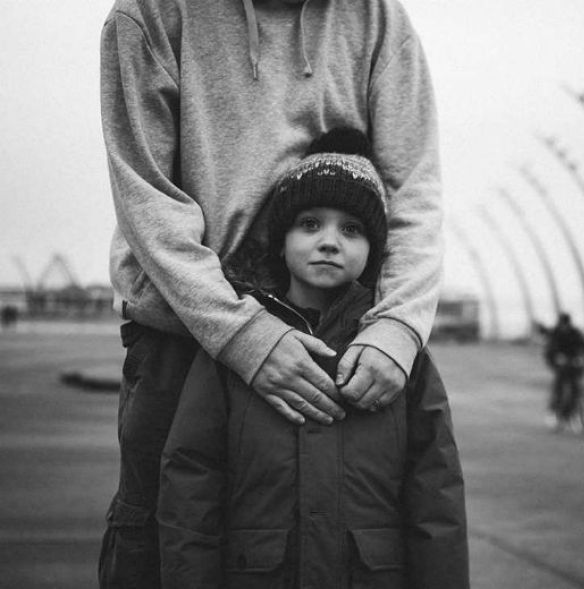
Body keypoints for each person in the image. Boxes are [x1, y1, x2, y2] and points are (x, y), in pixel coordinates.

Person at [98, 1, 443, 586]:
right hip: (182, 339)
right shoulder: (150, 12)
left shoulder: (378, 19)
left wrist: (398, 328)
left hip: (335, 342)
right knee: (159, 551)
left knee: (346, 551)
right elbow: (146, 193)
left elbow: (413, 190)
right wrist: (240, 331)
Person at [156, 129, 469, 588]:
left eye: (352, 229)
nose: (329, 241)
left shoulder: (403, 357)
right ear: (279, 241)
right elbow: (190, 485)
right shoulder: (232, 348)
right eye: (309, 224)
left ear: (373, 250)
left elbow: (436, 498)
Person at [539, 313, 584, 428]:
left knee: (576, 387)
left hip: (574, 363)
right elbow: (550, 351)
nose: (565, 327)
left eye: (567, 324)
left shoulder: (575, 333)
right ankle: (554, 410)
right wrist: (557, 358)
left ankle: (571, 412)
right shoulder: (555, 334)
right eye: (563, 324)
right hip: (560, 364)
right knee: (559, 385)